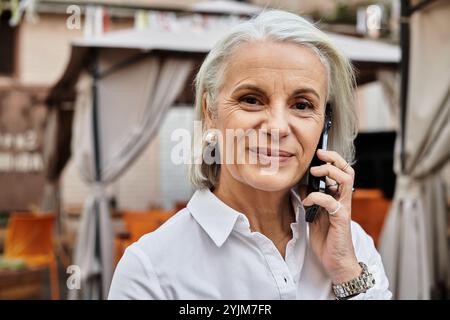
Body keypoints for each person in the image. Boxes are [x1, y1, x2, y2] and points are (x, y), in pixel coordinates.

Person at [108, 9, 392, 300]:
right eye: (251, 100)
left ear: (324, 125)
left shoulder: (350, 242)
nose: (278, 127)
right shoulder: (149, 270)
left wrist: (345, 272)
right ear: (210, 112)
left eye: (303, 105)